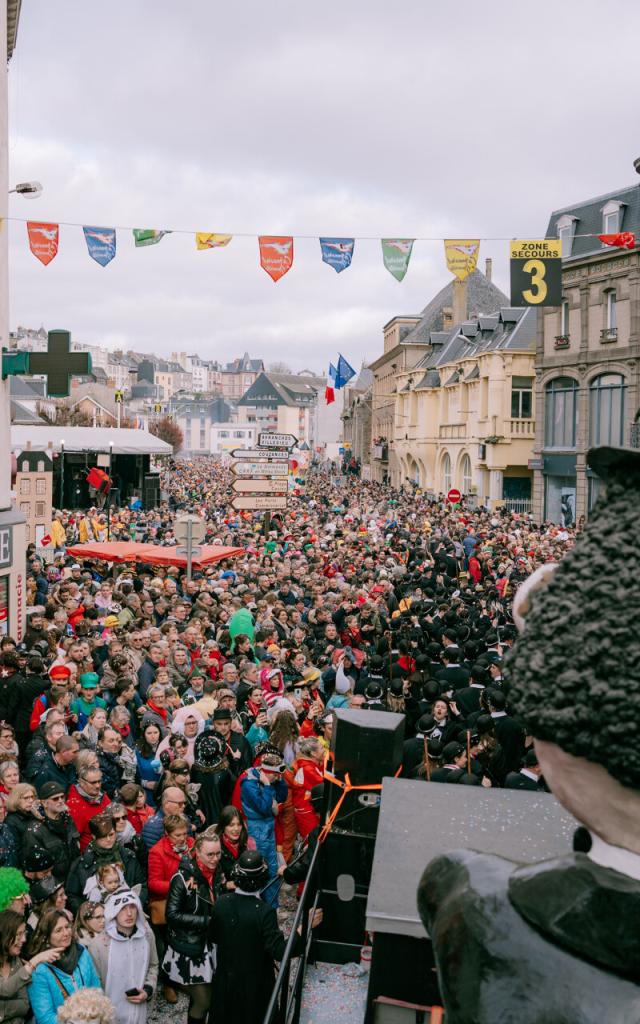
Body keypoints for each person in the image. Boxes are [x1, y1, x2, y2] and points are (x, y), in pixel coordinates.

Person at [209, 851, 319, 1024]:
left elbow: (214, 937)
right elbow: (279, 952)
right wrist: (302, 930)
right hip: (255, 985)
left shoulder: (221, 902)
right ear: (262, 878)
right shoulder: (264, 912)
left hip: (226, 981)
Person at [164, 829, 223, 1024]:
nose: (215, 859)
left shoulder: (216, 870)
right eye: (210, 855)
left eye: (218, 853)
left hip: (207, 944)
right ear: (197, 851)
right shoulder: (181, 878)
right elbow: (171, 915)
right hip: (189, 947)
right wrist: (207, 921)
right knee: (204, 1000)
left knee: (204, 997)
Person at [83, 889, 157, 1024]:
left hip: (139, 1013)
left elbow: (153, 965)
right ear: (113, 911)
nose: (129, 913)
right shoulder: (98, 945)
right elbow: (94, 983)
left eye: (132, 907)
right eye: (122, 908)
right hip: (110, 1016)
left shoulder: (147, 935)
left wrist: (147, 990)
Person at [27, 909, 101, 1024]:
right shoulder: (40, 970)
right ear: (47, 936)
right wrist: (76, 1021)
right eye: (58, 930)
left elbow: (96, 988)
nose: (66, 933)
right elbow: (45, 1017)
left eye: (67, 927)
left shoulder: (81, 952)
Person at [66, 812, 147, 913]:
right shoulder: (81, 863)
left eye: (111, 834)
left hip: (128, 912)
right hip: (96, 920)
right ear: (94, 836)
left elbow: (142, 885)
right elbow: (72, 895)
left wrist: (133, 906)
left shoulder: (128, 856)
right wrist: (90, 914)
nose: (108, 839)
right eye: (103, 836)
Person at [0, 909, 60, 1024]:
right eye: (18, 934)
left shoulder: (17, 962)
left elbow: (25, 1005)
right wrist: (35, 961)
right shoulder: (26, 966)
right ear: (4, 934)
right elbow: (5, 989)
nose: (24, 940)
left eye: (24, 933)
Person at [23, 783, 80, 884]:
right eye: (55, 799)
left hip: (74, 878)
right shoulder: (35, 829)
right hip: (54, 884)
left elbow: (76, 850)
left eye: (62, 797)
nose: (61, 801)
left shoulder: (68, 819)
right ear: (44, 803)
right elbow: (38, 869)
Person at [66, 766, 111, 852]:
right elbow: (73, 840)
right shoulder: (74, 805)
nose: (98, 786)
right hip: (92, 854)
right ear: (81, 782)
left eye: (99, 781)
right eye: (93, 782)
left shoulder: (102, 796)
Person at [214, 806, 253, 888]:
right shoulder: (215, 847)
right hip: (226, 896)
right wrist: (227, 885)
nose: (236, 829)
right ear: (223, 826)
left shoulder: (247, 843)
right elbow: (212, 882)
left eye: (239, 824)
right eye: (231, 825)